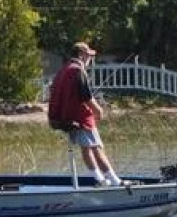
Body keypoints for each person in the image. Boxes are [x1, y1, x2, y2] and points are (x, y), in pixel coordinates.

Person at [47, 41, 121, 186]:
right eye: (88, 56)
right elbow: (85, 96)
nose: (90, 59)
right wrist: (98, 110)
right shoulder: (78, 70)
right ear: (81, 55)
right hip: (80, 117)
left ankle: (99, 179)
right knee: (97, 147)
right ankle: (115, 181)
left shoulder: (64, 69)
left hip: (66, 117)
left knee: (86, 148)